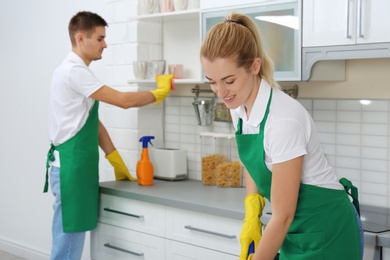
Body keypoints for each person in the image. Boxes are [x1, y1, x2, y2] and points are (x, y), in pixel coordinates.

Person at [200, 12, 363, 260]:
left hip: (327, 233)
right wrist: (252, 210)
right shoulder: (239, 107)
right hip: (292, 233)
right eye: (212, 82)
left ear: (254, 66)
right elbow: (254, 164)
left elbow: (283, 214)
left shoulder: (282, 120)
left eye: (229, 80)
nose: (221, 92)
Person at [43, 11, 173, 260]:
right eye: (100, 38)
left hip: (75, 166)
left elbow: (91, 123)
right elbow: (123, 101)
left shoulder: (76, 71)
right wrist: (157, 93)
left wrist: (114, 157)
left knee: (70, 237)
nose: (105, 44)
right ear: (81, 38)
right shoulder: (74, 72)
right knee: (68, 242)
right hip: (72, 168)